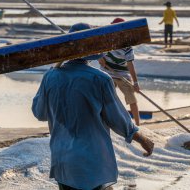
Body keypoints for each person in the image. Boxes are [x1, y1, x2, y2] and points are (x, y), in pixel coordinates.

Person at [32, 23, 154, 190]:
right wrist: (142, 138)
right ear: (92, 52)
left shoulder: (51, 77)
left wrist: (49, 83)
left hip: (62, 161)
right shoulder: (100, 80)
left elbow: (40, 113)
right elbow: (117, 119)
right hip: (92, 162)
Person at [98, 18, 141, 126]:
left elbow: (130, 65)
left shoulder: (127, 46)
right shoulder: (106, 40)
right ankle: (101, 123)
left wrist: (135, 83)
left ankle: (138, 125)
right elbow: (96, 50)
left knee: (132, 100)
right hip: (107, 73)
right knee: (102, 98)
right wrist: (99, 57)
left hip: (123, 75)